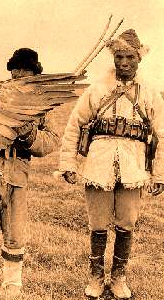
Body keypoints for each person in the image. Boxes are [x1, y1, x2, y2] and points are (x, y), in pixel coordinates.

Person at [58, 29, 164, 299]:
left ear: (139, 59)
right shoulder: (97, 89)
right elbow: (75, 125)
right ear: (113, 57)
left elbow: (162, 135)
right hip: (98, 165)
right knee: (98, 223)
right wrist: (68, 163)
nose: (124, 63)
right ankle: (95, 276)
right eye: (119, 56)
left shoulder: (150, 92)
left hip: (133, 167)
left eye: (130, 57)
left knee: (127, 223)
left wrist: (159, 174)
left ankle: (118, 278)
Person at [0, 48, 59, 299]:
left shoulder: (42, 106)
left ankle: (12, 286)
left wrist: (29, 133)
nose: (19, 76)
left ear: (34, 75)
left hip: (17, 175)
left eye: (25, 72)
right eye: (15, 71)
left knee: (15, 233)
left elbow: (51, 141)